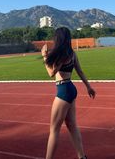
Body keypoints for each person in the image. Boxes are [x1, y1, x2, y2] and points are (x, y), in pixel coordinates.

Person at [41, 27, 96, 159]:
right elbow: (80, 71)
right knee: (72, 125)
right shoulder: (71, 53)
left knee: (54, 129)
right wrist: (89, 87)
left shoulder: (62, 54)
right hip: (71, 88)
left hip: (64, 90)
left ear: (58, 38)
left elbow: (51, 73)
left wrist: (44, 56)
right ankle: (82, 156)